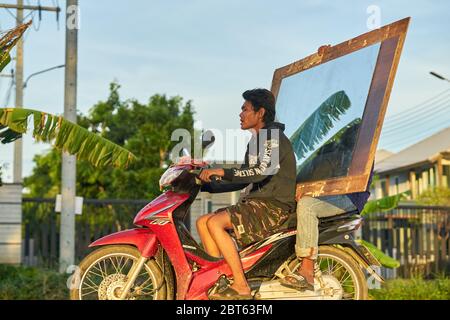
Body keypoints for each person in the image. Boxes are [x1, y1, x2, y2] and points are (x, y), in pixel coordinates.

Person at [197, 88, 296, 300]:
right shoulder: (256, 141)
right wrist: (205, 187)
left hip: (273, 206)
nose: (240, 114)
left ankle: (241, 286)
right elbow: (244, 178)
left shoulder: (272, 137)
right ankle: (220, 280)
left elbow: (259, 172)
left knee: (215, 223)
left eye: (245, 109)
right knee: (203, 221)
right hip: (257, 204)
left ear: (260, 113)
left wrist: (221, 171)